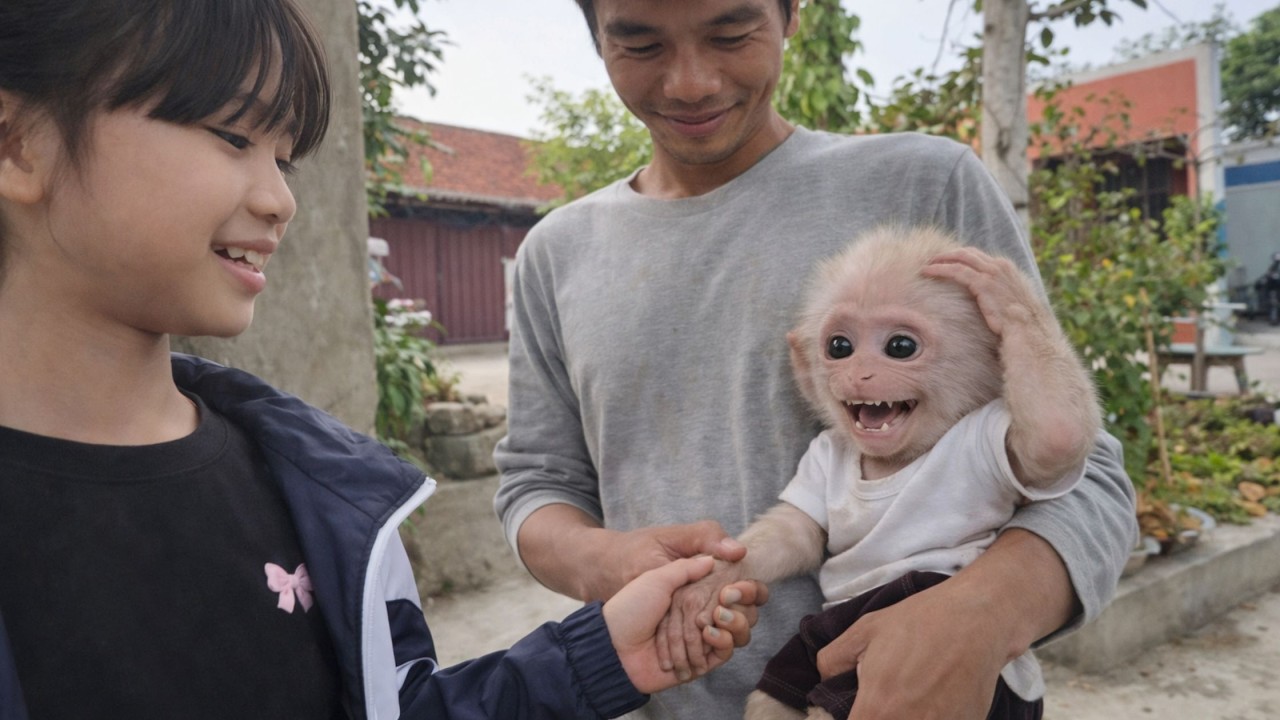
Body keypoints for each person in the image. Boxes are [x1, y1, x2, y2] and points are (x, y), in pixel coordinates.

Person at [0, 2, 766, 719]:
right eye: (232, 136)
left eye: (284, 158)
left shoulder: (323, 494)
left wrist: (594, 657)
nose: (279, 200)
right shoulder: (557, 255)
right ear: (17, 143)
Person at [493, 1, 1138, 719]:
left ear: (790, 12)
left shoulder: (922, 186)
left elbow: (1080, 471)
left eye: (730, 34)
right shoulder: (556, 254)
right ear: (595, 37)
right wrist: (604, 562)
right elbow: (537, 482)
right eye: (641, 45)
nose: (691, 83)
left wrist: (982, 614)